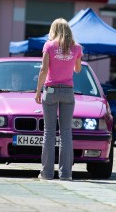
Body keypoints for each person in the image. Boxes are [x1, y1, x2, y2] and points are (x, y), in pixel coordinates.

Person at [35, 18, 82, 181]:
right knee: (66, 133)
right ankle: (66, 174)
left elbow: (43, 69)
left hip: (51, 90)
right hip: (68, 91)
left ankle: (47, 173)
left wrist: (37, 91)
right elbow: (78, 69)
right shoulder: (76, 48)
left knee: (49, 132)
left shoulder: (49, 46)